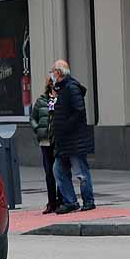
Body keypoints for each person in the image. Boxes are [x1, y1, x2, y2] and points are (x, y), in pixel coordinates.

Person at [50, 60, 95, 213]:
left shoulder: (71, 87)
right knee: (58, 170)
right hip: (64, 141)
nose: (52, 75)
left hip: (74, 139)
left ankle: (88, 200)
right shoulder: (60, 89)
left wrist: (65, 126)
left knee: (81, 171)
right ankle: (70, 201)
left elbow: (79, 111)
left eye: (53, 71)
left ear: (59, 72)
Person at [29, 76, 60, 215]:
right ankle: (51, 202)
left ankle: (62, 200)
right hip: (45, 141)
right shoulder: (41, 100)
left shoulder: (61, 99)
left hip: (59, 141)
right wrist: (38, 129)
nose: (54, 87)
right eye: (52, 85)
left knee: (60, 172)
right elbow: (33, 118)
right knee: (49, 173)